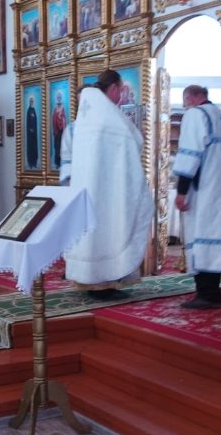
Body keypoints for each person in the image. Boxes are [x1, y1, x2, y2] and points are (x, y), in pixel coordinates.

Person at [65, 69, 153, 299]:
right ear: (113, 87)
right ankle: (104, 283)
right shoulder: (107, 114)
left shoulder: (88, 114)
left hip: (89, 187)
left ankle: (90, 279)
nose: (121, 96)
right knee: (108, 230)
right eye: (120, 90)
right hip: (107, 190)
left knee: (92, 234)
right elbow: (134, 140)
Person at [173, 85, 221, 309]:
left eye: (185, 102)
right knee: (213, 235)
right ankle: (212, 292)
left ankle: (206, 294)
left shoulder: (195, 114)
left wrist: (182, 191)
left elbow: (190, 153)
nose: (185, 107)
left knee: (200, 236)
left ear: (191, 98)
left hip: (202, 189)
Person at [59, 86, 87, 185]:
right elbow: (66, 158)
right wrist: (69, 180)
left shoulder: (105, 127)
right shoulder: (71, 129)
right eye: (80, 102)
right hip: (78, 183)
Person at [52, 91, 67, 169]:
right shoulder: (55, 109)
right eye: (58, 97)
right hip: (57, 132)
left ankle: (61, 162)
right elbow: (53, 120)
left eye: (60, 97)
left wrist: (63, 127)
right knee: (57, 147)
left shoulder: (63, 108)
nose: (59, 98)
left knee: (62, 147)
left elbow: (64, 119)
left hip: (62, 131)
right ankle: (57, 163)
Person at [25, 95, 39, 170]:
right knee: (30, 148)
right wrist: (30, 129)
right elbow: (28, 122)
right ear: (29, 102)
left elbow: (35, 120)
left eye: (32, 101)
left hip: (34, 134)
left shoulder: (34, 110)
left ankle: (35, 163)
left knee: (34, 148)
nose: (31, 102)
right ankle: (30, 163)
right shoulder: (28, 111)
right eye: (30, 101)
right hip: (30, 134)